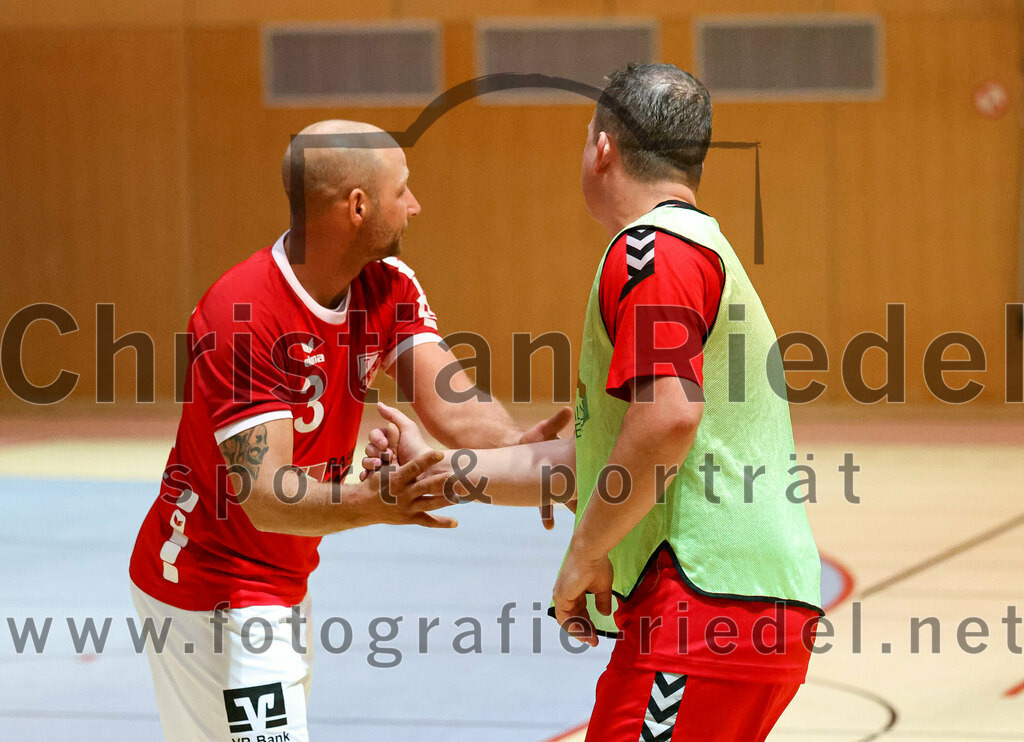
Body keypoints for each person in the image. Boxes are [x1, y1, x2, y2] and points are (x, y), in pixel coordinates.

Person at [365, 65, 823, 742]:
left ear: (602, 148)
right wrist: (441, 470)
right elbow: (605, 464)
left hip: (699, 611)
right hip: (734, 612)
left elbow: (668, 417)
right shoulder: (693, 248)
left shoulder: (652, 249)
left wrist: (586, 549)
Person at [127, 119, 570, 742]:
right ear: (357, 206)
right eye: (403, 191)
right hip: (210, 584)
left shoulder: (388, 286)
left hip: (282, 578)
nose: (414, 206)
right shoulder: (242, 313)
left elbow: (454, 404)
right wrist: (375, 503)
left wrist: (525, 453)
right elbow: (262, 498)